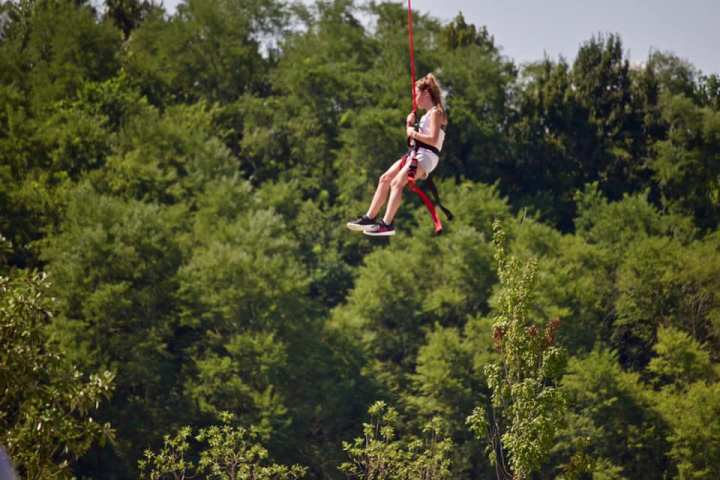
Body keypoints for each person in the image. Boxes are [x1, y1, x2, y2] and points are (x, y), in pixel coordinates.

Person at [346, 73, 447, 237]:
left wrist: (412, 132)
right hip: (416, 153)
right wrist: (409, 124)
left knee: (397, 183)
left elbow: (433, 139)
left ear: (426, 93)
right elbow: (414, 138)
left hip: (426, 156)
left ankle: (387, 224)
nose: (414, 99)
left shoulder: (436, 112)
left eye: (416, 94)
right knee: (385, 178)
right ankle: (369, 217)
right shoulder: (426, 116)